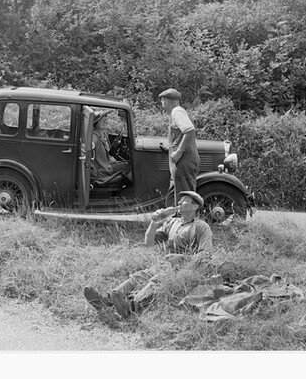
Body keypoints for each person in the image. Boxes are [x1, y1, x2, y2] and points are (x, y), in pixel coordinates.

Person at [82, 190, 212, 320]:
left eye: (184, 200)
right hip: (165, 264)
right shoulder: (173, 222)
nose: (178, 203)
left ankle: (130, 307)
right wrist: (154, 223)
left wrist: (181, 258)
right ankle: (107, 301)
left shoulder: (201, 227)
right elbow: (148, 243)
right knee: (140, 276)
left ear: (195, 207)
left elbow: (205, 255)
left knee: (157, 280)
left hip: (184, 269)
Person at [158, 88, 200, 202]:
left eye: (162, 101)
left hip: (183, 160)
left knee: (185, 198)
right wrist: (171, 146)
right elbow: (180, 134)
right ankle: (174, 218)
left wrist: (178, 151)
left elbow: (189, 130)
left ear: (166, 101)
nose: (162, 104)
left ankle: (186, 219)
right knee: (173, 198)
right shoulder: (177, 112)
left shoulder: (177, 111)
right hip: (180, 161)